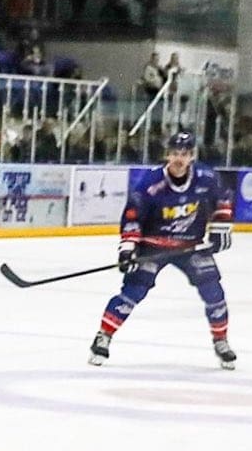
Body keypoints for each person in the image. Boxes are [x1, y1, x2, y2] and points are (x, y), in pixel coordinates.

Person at [90, 131, 235, 369]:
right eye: (175, 153)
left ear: (192, 156)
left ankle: (221, 340)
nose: (179, 159)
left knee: (213, 291)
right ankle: (104, 335)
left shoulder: (206, 177)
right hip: (154, 245)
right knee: (134, 291)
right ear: (167, 155)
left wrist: (220, 228)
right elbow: (133, 216)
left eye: (185, 154)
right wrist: (128, 249)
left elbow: (224, 199)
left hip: (191, 246)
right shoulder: (149, 184)